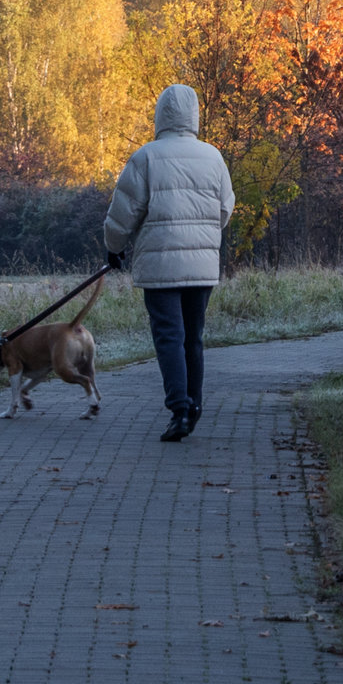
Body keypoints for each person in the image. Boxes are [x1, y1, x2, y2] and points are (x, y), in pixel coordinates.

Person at [104, 84, 235, 442]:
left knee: (169, 337)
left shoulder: (146, 158)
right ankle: (195, 404)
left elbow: (122, 214)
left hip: (160, 266)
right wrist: (204, 233)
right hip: (202, 266)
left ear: (160, 115)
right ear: (193, 115)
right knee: (193, 337)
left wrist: (113, 248)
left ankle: (179, 409)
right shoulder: (213, 157)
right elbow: (225, 208)